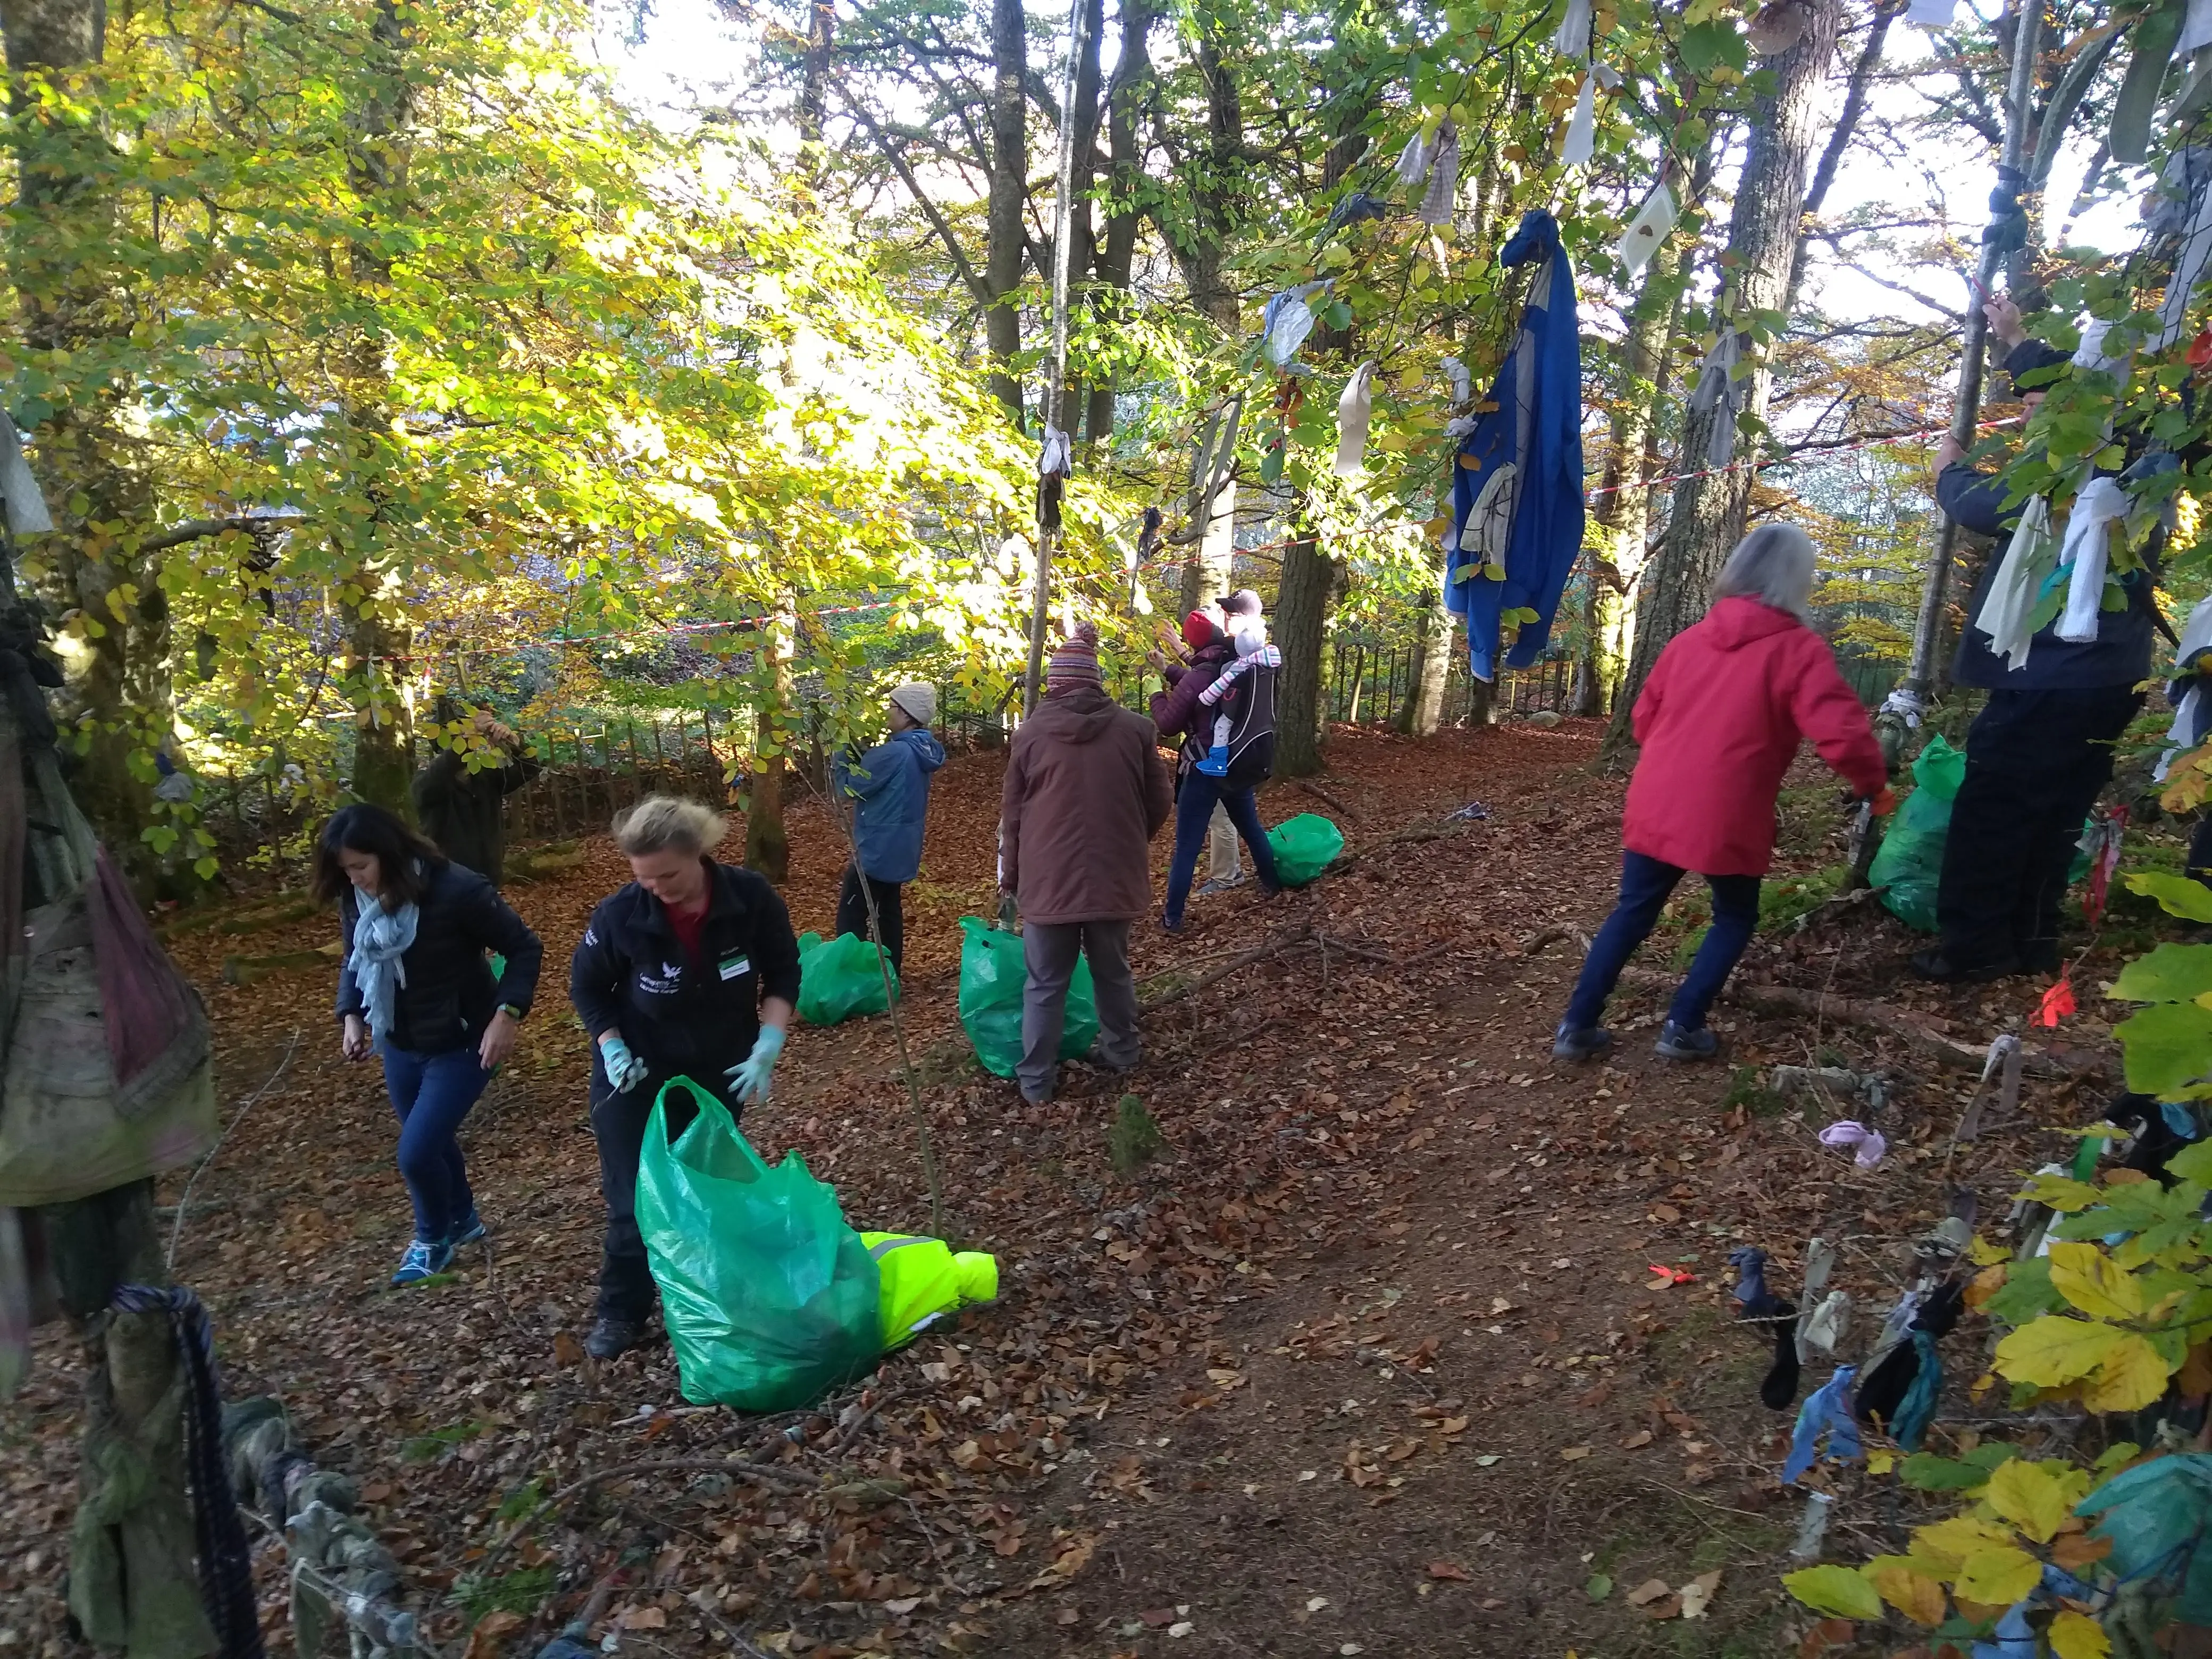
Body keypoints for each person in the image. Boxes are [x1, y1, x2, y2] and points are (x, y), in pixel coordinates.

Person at [1554, 525, 1889, 1063]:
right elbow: (1842, 733)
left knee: (1631, 913)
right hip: (1726, 810)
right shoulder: (1797, 650)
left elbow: (1643, 720)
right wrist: (1872, 785)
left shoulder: (1688, 641)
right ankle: (1682, 1027)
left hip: (1656, 798)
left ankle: (1576, 1025)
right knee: (1733, 917)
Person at [1916, 292, 2158, 982]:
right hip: (2112, 680)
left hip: (2050, 680)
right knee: (2057, 811)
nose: (2027, 415)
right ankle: (2033, 940)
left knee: (1996, 811)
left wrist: (1948, 470)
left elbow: (1981, 504)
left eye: (2042, 407)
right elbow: (2073, 390)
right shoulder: (2145, 461)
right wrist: (2016, 337)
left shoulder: (2074, 474)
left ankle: (1974, 950)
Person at [568, 796, 801, 1359]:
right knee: (633, 1199)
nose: (656, 887)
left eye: (667, 875)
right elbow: (587, 988)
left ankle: (708, 1301)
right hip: (636, 1074)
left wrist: (769, 1041)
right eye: (643, 878)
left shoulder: (748, 898)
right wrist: (612, 1049)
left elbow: (783, 970)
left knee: (705, 1189)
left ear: (697, 854)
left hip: (720, 1069)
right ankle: (621, 1311)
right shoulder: (622, 915)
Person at [319, 803, 544, 1285]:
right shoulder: (357, 900)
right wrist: (352, 1016)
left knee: (415, 1153)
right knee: (433, 1143)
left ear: (390, 853)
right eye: (346, 869)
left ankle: (431, 1240)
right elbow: (354, 960)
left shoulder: (458, 890)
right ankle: (463, 1220)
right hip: (399, 1041)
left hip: (465, 1039)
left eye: (361, 866)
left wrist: (508, 1015)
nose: (354, 879)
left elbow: (524, 947)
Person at [1001, 625, 1172, 1104]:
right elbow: (1161, 799)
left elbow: (1012, 817)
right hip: (1113, 877)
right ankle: (1122, 1052)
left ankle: (1036, 1082)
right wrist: (1130, 841)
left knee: (1045, 984)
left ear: (1055, 684)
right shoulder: (1136, 729)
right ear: (1095, 682)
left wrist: (1009, 878)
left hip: (1047, 881)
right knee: (1112, 971)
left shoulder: (1031, 734)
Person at [1151, 602, 1283, 934]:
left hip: (1204, 768)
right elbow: (1195, 680)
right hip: (1237, 763)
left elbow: (1168, 723)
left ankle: (1173, 918)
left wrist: (1156, 692)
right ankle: (1271, 885)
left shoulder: (1201, 673)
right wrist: (1171, 668)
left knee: (1187, 847)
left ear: (1193, 644)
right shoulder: (1232, 660)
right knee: (1251, 828)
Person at [829, 682, 945, 978]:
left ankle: (851, 975)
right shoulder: (922, 748)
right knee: (888, 910)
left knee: (853, 912)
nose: (887, 714)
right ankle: (889, 974)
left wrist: (842, 751)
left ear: (907, 715)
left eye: (892, 708)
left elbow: (849, 788)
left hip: (877, 848)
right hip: (902, 846)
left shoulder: (894, 753)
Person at [412, 697, 542, 886]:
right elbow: (439, 775)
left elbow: (529, 769)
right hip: (447, 884)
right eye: (459, 738)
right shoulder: (427, 782)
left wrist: (515, 744)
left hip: (489, 880)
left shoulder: (486, 776)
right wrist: (468, 737)